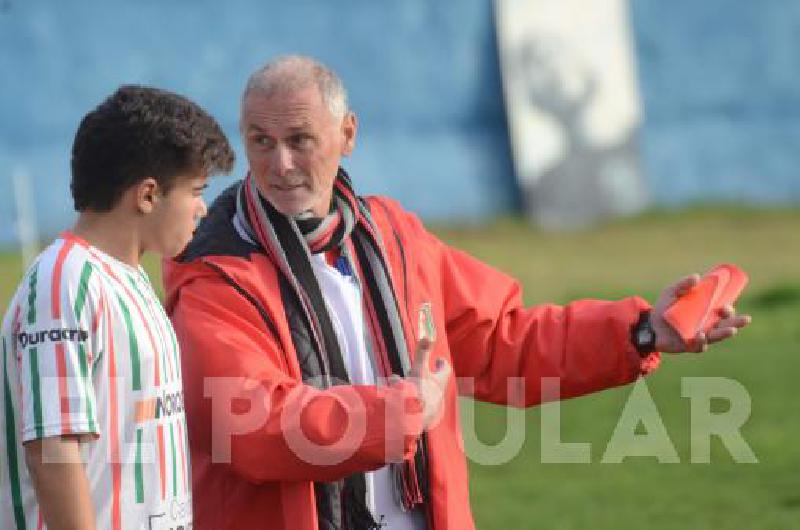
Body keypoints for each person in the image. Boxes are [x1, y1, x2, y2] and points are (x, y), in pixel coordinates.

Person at [163, 55, 751, 530]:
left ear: (347, 135)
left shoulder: (395, 237)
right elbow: (254, 425)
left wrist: (642, 330)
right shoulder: (213, 274)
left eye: (299, 139)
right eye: (260, 141)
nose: (279, 163)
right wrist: (402, 412)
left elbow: (503, 339)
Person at [0, 85, 234, 530]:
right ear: (147, 195)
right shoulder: (64, 282)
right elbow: (54, 451)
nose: (202, 209)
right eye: (197, 191)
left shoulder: (132, 279)